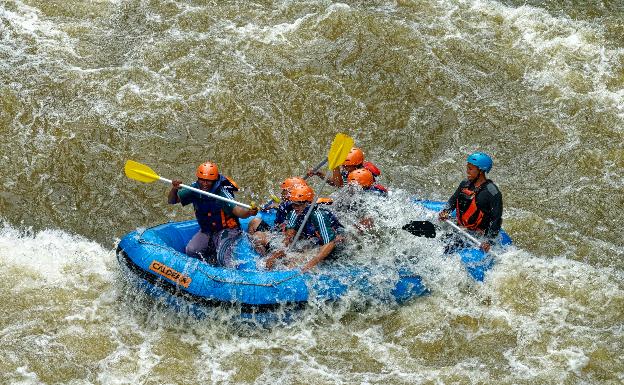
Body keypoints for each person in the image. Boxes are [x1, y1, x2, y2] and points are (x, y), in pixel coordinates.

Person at [168, 161, 258, 266]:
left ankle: (226, 274)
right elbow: (172, 201)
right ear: (198, 178)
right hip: (208, 230)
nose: (205, 183)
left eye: (208, 181)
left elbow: (238, 211)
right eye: (202, 180)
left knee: (223, 258)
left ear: (214, 180)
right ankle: (209, 266)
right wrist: (174, 189)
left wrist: (249, 212)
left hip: (228, 230)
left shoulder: (222, 192)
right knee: (191, 250)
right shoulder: (194, 188)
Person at [265, 184, 343, 272]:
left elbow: (329, 243)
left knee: (293, 263)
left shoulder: (318, 215)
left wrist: (309, 265)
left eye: (297, 205)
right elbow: (288, 239)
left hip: (333, 245)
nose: (294, 208)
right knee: (285, 259)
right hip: (314, 241)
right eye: (293, 204)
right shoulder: (294, 213)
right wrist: (274, 256)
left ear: (308, 203)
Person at [438, 152, 502, 253]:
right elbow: (453, 200)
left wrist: (489, 241)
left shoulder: (493, 192)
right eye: (467, 168)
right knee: (438, 240)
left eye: (470, 169)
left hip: (476, 234)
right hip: (459, 227)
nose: (467, 171)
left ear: (480, 171)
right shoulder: (465, 183)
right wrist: (446, 211)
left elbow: (496, 219)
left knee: (446, 250)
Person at [247, 176, 307, 255]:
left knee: (257, 236)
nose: (281, 193)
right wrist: (272, 207)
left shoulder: (297, 210)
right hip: (278, 233)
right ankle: (256, 251)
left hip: (285, 242)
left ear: (292, 192)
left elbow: (290, 237)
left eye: (284, 190)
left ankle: (266, 257)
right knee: (254, 221)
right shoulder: (287, 204)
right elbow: (283, 211)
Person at [308, 147, 383, 188]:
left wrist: (335, 166)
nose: (343, 167)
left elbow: (339, 185)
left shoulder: (364, 174)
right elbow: (336, 183)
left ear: (356, 165)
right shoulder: (349, 171)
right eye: (343, 165)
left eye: (346, 166)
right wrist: (318, 173)